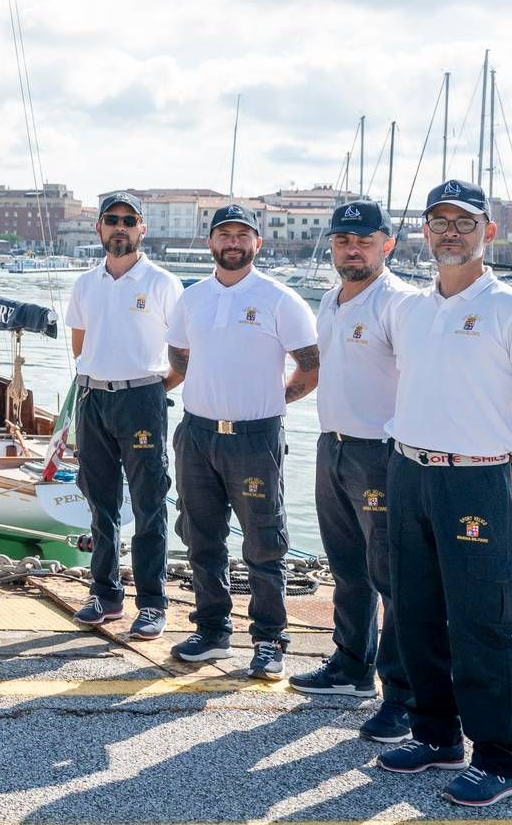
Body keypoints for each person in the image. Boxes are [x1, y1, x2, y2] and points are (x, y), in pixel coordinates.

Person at [372, 180, 512, 808]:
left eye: (463, 221)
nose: (449, 230)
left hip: (473, 479)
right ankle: (436, 735)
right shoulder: (412, 309)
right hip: (408, 470)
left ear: (488, 232)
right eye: (438, 221)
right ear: (424, 233)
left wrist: (503, 458)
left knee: (482, 622)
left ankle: (496, 758)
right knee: (417, 611)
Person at [164, 203, 318, 678]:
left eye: (242, 235)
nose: (233, 242)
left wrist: (273, 400)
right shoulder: (192, 298)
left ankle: (270, 638)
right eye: (224, 234)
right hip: (197, 434)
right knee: (199, 535)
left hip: (255, 437)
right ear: (211, 243)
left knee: (264, 540)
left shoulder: (279, 298)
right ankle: (212, 631)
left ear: (257, 243)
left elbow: (310, 365)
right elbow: (178, 352)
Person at [289, 199, 415, 743]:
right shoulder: (330, 299)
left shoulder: (399, 304)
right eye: (343, 240)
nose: (352, 248)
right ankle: (350, 666)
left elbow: (423, 378)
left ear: (387, 244)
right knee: (347, 567)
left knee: (395, 580)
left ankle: (402, 697)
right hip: (333, 446)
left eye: (364, 240)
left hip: (381, 453)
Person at [63, 190, 183, 641]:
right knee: (100, 501)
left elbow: (183, 350)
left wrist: (152, 389)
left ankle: (152, 603)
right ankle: (105, 594)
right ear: (99, 228)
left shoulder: (162, 283)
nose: (119, 227)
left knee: (150, 502)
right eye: (111, 219)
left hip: (141, 400)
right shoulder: (85, 284)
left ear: (142, 229)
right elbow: (80, 345)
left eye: (128, 220)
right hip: (93, 399)